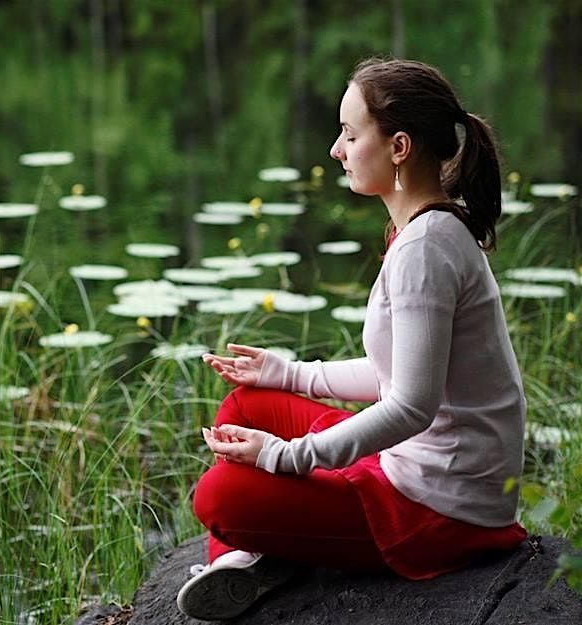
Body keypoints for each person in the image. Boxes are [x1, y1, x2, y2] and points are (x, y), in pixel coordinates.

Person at [176, 57, 528, 621]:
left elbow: (411, 406)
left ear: (399, 147)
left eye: (350, 134)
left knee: (218, 496)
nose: (336, 150)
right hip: (413, 468)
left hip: (442, 507)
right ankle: (251, 557)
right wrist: (287, 373)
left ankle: (252, 551)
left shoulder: (426, 249)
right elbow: (395, 373)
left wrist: (286, 457)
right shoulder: (426, 229)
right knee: (248, 404)